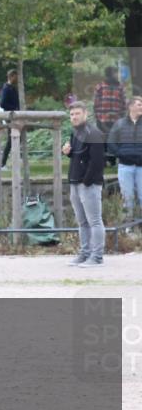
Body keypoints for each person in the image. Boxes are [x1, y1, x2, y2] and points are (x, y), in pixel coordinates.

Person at [63, 102, 107, 267]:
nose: (74, 117)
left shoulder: (93, 133)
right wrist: (68, 153)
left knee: (94, 220)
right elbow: (79, 156)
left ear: (85, 114)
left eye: (77, 113)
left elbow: (97, 162)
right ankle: (84, 253)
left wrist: (86, 181)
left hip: (88, 184)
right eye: (72, 114)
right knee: (82, 221)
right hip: (75, 181)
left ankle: (97, 257)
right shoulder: (75, 133)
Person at [108, 96, 142, 218]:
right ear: (131, 106)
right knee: (127, 197)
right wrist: (121, 154)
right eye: (139, 104)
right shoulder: (120, 124)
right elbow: (110, 143)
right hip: (125, 167)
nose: (141, 107)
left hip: (141, 167)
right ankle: (128, 227)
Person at [94, 66, 126, 167]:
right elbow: (96, 103)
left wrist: (122, 117)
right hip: (103, 118)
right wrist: (98, 117)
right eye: (115, 73)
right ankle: (103, 160)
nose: (116, 75)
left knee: (115, 139)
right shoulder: (100, 86)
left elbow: (123, 103)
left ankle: (112, 160)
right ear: (109, 74)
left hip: (116, 119)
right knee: (102, 139)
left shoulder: (120, 87)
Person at [0, 69, 20, 169]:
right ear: (11, 76)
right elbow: (2, 103)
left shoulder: (13, 88)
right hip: (10, 116)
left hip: (16, 115)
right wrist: (13, 108)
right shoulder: (6, 88)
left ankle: (16, 157)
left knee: (18, 137)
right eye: (16, 77)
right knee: (10, 140)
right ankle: (2, 163)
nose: (17, 79)